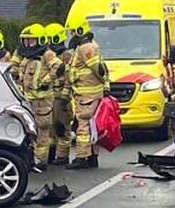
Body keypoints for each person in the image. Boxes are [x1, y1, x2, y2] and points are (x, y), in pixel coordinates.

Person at [16, 24, 61, 171]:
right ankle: (32, 160)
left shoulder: (47, 54)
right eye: (26, 41)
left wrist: (45, 81)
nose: (28, 44)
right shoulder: (26, 56)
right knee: (30, 130)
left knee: (42, 130)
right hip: (28, 99)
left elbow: (59, 67)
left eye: (31, 41)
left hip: (43, 100)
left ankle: (41, 162)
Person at [65, 24, 109, 168]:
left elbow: (98, 69)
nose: (72, 35)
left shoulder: (85, 48)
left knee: (83, 126)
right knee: (93, 126)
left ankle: (82, 158)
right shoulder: (92, 45)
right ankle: (92, 157)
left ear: (79, 30)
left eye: (73, 31)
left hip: (86, 93)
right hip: (91, 92)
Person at [43, 24, 73, 164]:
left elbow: (69, 77)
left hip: (61, 97)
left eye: (51, 39)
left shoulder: (67, 55)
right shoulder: (47, 56)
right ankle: (51, 154)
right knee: (50, 128)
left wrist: (65, 97)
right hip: (50, 96)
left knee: (62, 127)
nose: (49, 43)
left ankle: (62, 156)